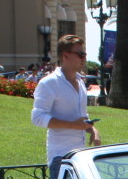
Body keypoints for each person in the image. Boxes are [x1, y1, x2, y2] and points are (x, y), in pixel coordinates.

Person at [31, 34, 100, 164]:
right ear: (65, 55)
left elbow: (81, 116)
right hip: (60, 157)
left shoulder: (80, 82)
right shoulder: (49, 82)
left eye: (84, 54)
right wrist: (74, 125)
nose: (84, 58)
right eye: (80, 54)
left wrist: (92, 129)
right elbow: (37, 117)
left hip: (81, 155)